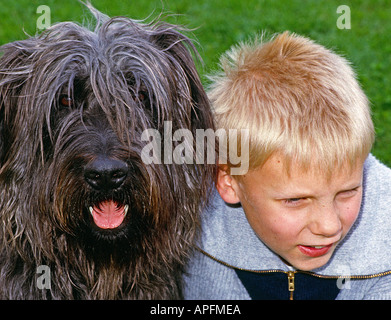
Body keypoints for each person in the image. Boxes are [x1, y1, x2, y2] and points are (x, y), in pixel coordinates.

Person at [183, 32, 391, 300]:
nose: (329, 226)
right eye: (296, 200)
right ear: (228, 180)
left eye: (348, 191)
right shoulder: (187, 230)